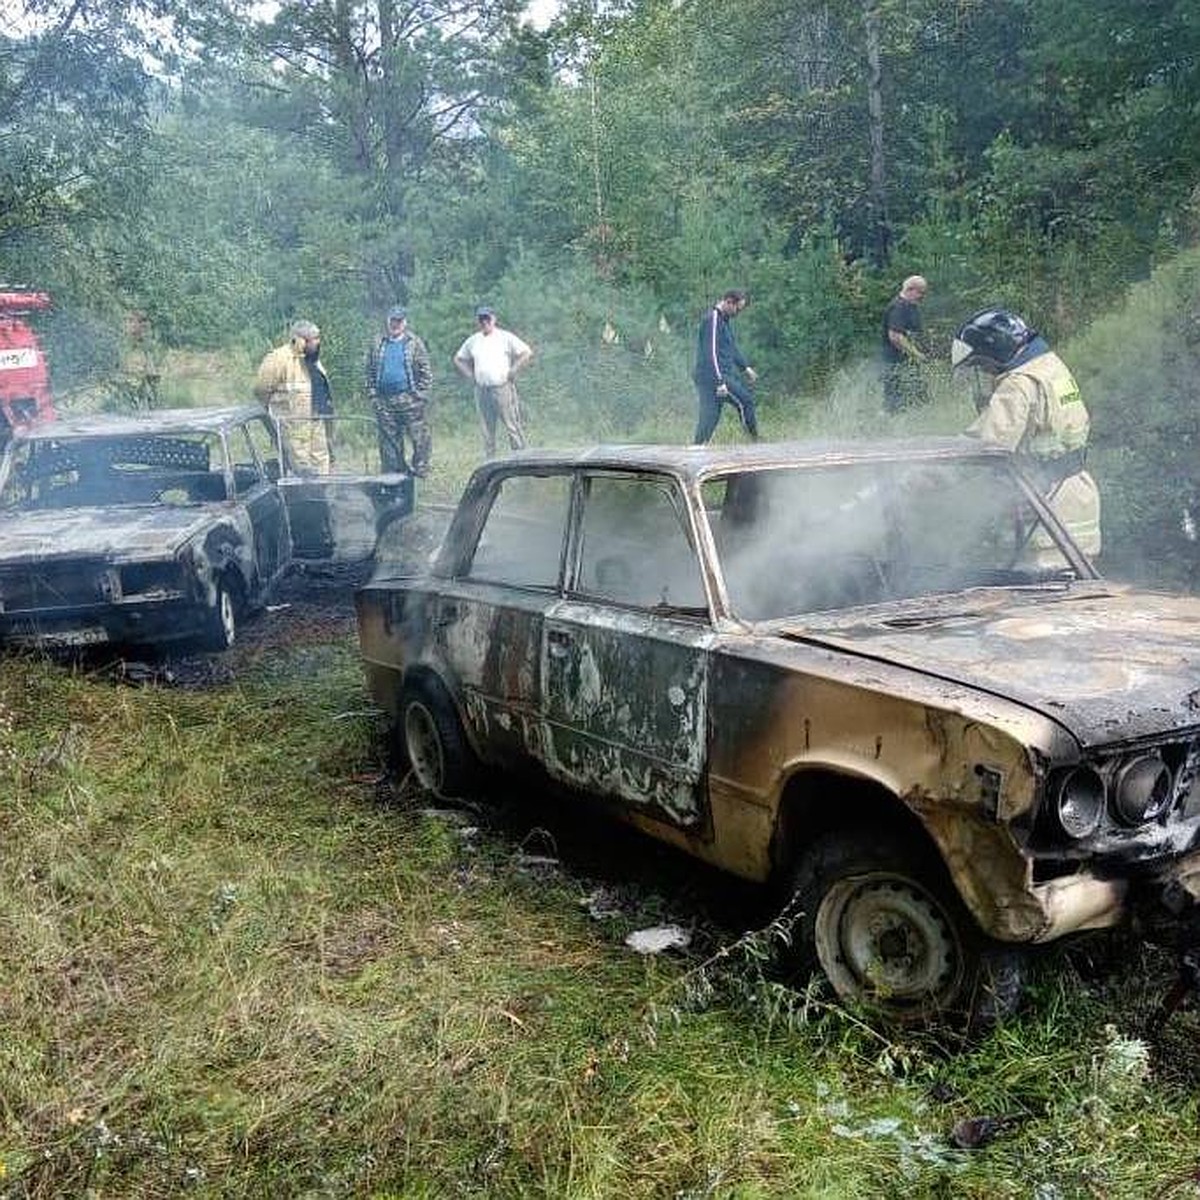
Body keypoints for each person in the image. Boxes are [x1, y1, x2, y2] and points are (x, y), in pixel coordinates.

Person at [952, 307, 1101, 557]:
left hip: (1043, 509)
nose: (987, 372)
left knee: (1036, 587)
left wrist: (912, 480)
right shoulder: (1050, 366)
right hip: (1077, 499)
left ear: (995, 353)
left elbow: (982, 450)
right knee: (1076, 587)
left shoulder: (1018, 384)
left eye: (984, 364)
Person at [254, 319, 333, 473]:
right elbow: (261, 390)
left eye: (318, 338)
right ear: (300, 341)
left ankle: (322, 492)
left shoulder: (313, 359)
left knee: (321, 462)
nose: (318, 343)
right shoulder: (278, 359)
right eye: (314, 339)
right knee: (300, 469)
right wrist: (274, 412)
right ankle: (301, 496)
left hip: (316, 421)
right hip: (292, 427)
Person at [453, 306, 533, 457]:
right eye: (481, 319)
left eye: (487, 318)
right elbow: (458, 359)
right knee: (487, 430)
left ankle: (522, 459)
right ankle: (490, 463)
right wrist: (470, 375)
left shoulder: (505, 337)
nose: (484, 322)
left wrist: (514, 369)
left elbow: (526, 352)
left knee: (512, 426)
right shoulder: (473, 340)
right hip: (481, 390)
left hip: (502, 388)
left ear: (494, 319)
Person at [365, 305, 433, 476]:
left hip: (410, 398)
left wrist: (421, 395)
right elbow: (369, 370)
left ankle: (420, 467)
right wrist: (373, 394)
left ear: (405, 322)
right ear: (388, 321)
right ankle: (393, 472)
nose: (395, 324)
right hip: (384, 400)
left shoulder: (414, 343)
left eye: (399, 321)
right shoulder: (377, 342)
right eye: (392, 321)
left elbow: (425, 370)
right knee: (389, 440)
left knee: (419, 437)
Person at [692, 289, 758, 444]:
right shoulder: (713, 319)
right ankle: (755, 444)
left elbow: (731, 348)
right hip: (713, 376)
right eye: (738, 308)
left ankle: (697, 449)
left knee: (710, 416)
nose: (738, 312)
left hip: (711, 376)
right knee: (745, 402)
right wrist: (720, 381)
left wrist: (745, 367)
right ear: (729, 302)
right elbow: (711, 352)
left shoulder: (724, 321)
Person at [881, 274, 929, 412]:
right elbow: (895, 336)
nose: (922, 297)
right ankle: (888, 429)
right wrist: (917, 355)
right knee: (894, 402)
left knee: (918, 398)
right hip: (895, 363)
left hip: (908, 363)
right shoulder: (898, 307)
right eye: (921, 293)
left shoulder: (910, 307)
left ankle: (914, 427)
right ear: (910, 289)